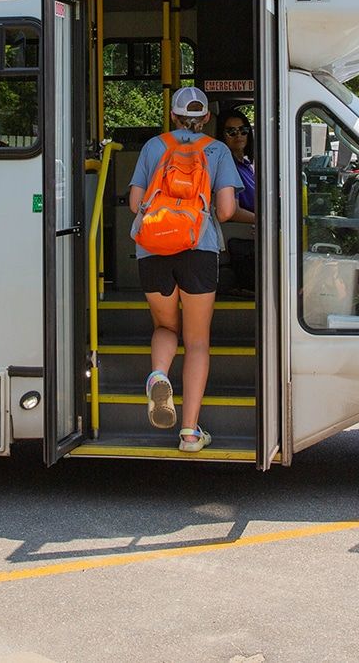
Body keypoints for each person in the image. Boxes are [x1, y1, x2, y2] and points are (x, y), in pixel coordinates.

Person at [128, 87, 239, 453]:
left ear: (173, 116)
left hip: (153, 248)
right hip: (197, 248)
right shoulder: (218, 150)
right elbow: (224, 210)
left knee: (164, 326)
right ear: (207, 117)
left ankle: (159, 375)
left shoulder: (153, 146)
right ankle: (190, 433)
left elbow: (134, 204)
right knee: (196, 341)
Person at [220, 109, 258, 292]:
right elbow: (232, 211)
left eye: (243, 130)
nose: (239, 135)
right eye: (231, 132)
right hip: (241, 231)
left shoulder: (245, 164)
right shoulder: (226, 165)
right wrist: (262, 221)